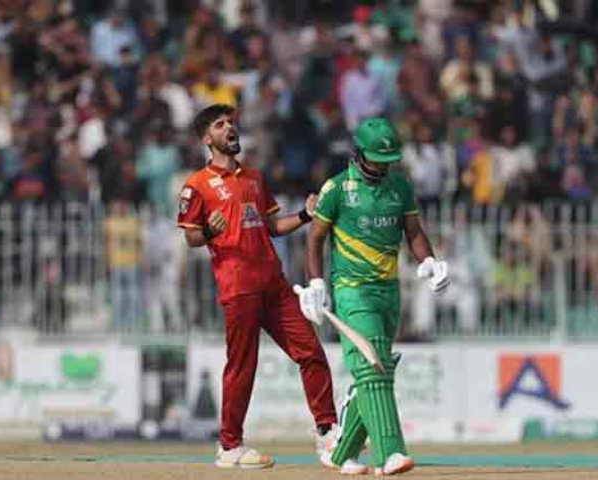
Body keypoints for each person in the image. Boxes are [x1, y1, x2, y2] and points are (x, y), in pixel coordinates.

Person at [177, 104, 337, 469]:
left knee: (311, 351)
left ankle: (328, 434)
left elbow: (272, 227)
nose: (229, 127)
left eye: (231, 122)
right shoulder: (197, 184)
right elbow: (192, 239)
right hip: (238, 286)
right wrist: (210, 231)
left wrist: (306, 214)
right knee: (242, 365)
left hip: (274, 284)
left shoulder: (254, 178)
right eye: (220, 125)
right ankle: (230, 446)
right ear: (207, 139)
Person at [297, 117, 449, 476]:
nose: (383, 165)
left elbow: (413, 232)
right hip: (352, 291)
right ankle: (390, 454)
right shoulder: (337, 188)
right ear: (358, 153)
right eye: (377, 159)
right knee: (373, 368)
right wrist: (317, 283)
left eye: (389, 159)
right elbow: (316, 238)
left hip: (389, 291)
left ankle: (340, 454)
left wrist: (428, 260)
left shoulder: (400, 186)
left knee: (378, 371)